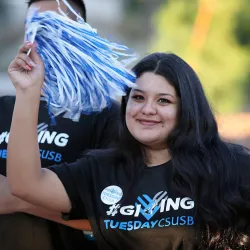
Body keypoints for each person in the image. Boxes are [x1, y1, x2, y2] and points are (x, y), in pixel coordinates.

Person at [7, 41, 250, 250]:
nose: (147, 109)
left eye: (163, 100)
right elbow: (25, 185)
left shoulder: (231, 167)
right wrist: (27, 92)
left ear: (187, 109)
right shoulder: (101, 170)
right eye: (138, 97)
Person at [0, 1, 119, 250]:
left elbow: (115, 217)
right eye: (33, 27)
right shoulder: (3, 107)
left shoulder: (108, 117)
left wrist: (19, 198)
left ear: (81, 33)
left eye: (54, 26)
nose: (41, 35)